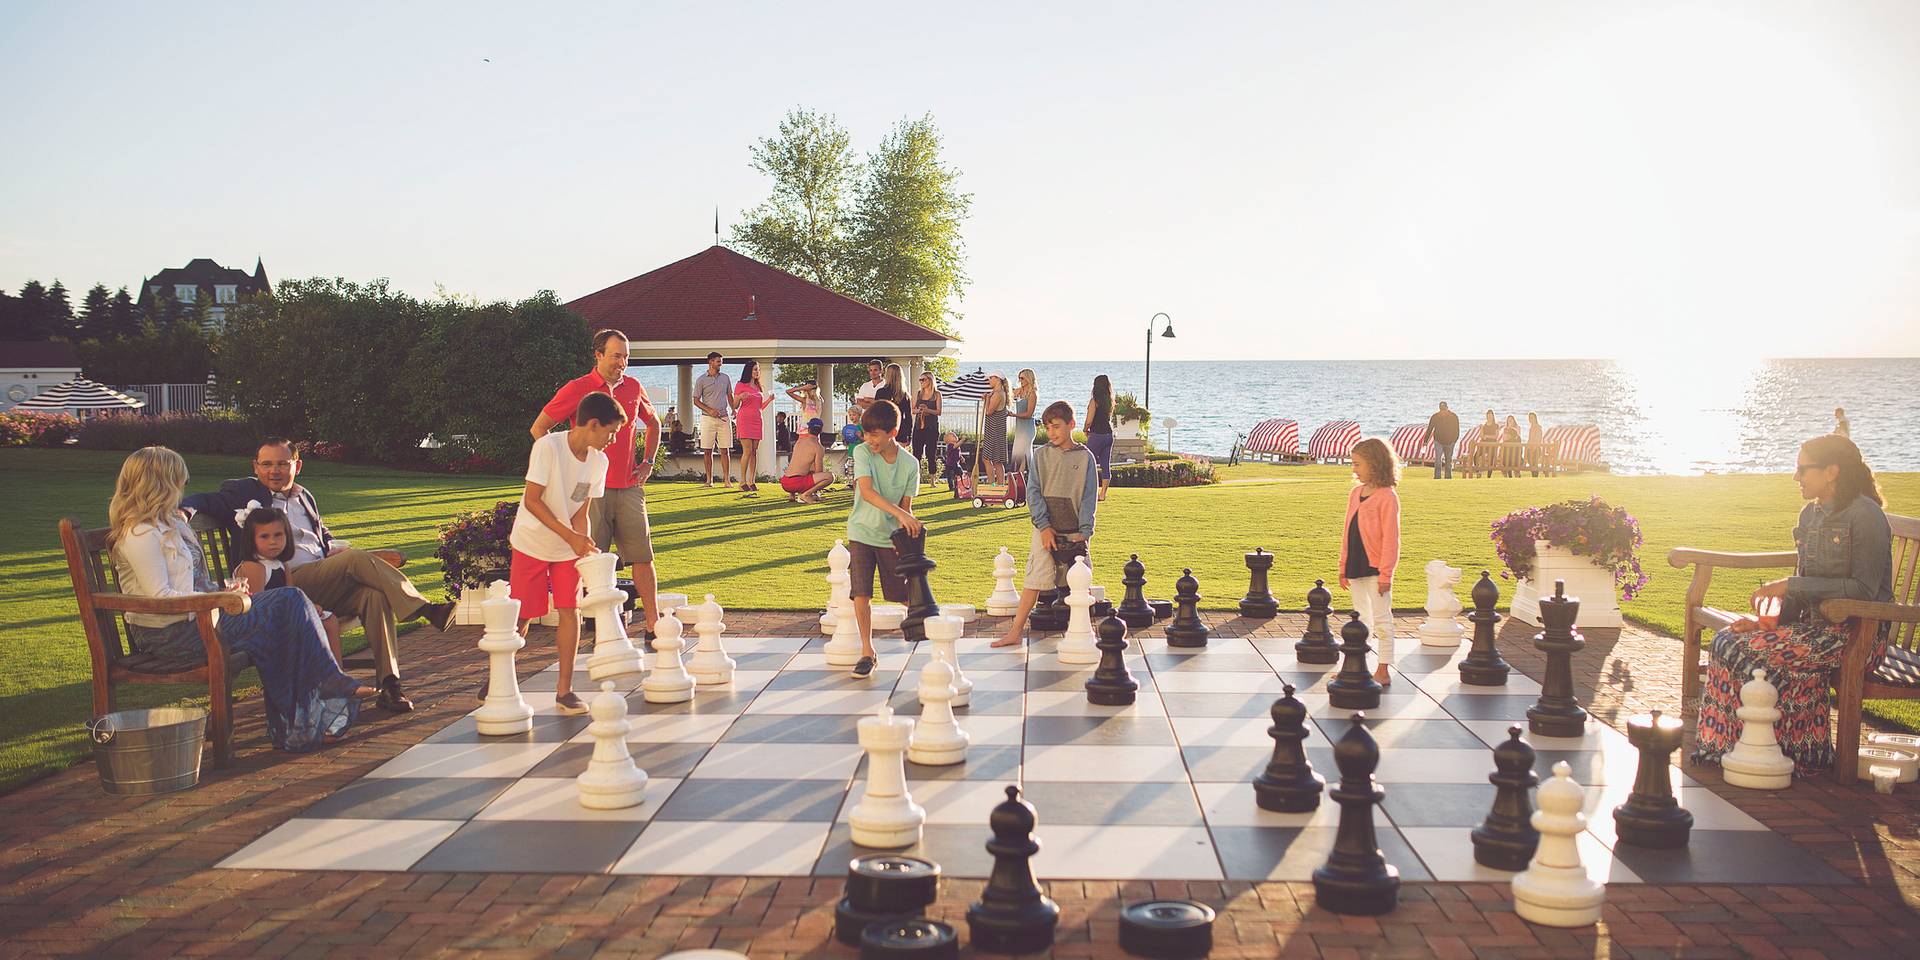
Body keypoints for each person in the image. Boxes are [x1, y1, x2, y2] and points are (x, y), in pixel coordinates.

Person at [112, 447, 371, 751]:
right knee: (288, 602)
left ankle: (300, 727)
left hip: (201, 620)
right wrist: (220, 599)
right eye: (178, 481)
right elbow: (161, 597)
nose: (182, 488)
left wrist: (223, 594)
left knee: (285, 615)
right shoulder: (141, 534)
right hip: (173, 635)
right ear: (161, 485)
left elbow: (192, 583)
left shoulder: (170, 524)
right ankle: (324, 688)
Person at [182, 438, 451, 713]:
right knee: (355, 558)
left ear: (296, 465)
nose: (274, 471)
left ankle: (390, 685)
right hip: (281, 586)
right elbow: (204, 500)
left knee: (373, 595)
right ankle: (425, 608)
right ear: (256, 466)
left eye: (282, 464)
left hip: (320, 580)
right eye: (266, 464)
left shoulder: (305, 496)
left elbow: (322, 536)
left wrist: (332, 548)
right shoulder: (243, 491)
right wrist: (184, 510)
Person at [1690, 435, 1893, 776]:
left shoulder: (1866, 516)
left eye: (1802, 469)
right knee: (1727, 640)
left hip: (1858, 635)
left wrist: (1790, 585)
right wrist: (1765, 624)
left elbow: (1865, 590)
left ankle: (1779, 751)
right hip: (1813, 630)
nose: (1795, 477)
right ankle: (1732, 749)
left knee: (1745, 652)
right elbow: (1803, 586)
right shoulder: (1809, 515)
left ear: (1831, 471)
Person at [532, 328, 664, 639]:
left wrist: (647, 463)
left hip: (629, 487)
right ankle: (589, 628)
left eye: (627, 357)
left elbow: (654, 423)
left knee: (643, 557)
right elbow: (540, 429)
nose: (622, 363)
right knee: (589, 560)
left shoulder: (633, 387)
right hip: (588, 490)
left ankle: (653, 626)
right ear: (599, 355)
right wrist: (563, 469)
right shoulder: (578, 388)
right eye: (617, 356)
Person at [505, 391, 624, 715]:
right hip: (531, 542)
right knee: (524, 615)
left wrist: (583, 545)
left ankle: (565, 691)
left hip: (566, 547)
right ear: (594, 424)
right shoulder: (548, 447)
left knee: (570, 610)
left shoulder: (599, 461)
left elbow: (580, 509)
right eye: (611, 432)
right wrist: (570, 536)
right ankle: (501, 675)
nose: (613, 439)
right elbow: (532, 500)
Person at [995, 402, 1099, 648]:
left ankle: (1084, 636)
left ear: (1071, 425)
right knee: (1034, 581)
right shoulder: (1040, 455)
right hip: (1044, 530)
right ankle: (1015, 631)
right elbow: (1033, 493)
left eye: (1057, 427)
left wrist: (1084, 533)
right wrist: (1043, 526)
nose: (1051, 432)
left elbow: (1089, 497)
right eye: (1048, 427)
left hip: (1075, 532)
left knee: (1079, 585)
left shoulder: (1086, 458)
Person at [845, 399, 922, 680]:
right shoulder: (864, 453)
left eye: (874, 434)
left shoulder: (910, 464)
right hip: (861, 532)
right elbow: (866, 492)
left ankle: (936, 634)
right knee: (861, 593)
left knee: (903, 595)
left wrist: (905, 528)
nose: (868, 439)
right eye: (865, 433)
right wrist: (901, 515)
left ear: (893, 431)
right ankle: (867, 652)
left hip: (890, 539)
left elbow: (907, 506)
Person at [232, 506, 344, 663]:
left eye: (278, 535)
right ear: (251, 539)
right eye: (264, 536)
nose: (273, 542)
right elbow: (257, 609)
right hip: (262, 624)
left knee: (329, 621)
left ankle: (336, 674)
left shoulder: (282, 564)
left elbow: (293, 593)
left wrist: (310, 606)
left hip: (284, 615)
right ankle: (313, 678)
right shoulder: (254, 567)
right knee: (304, 629)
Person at [1339, 438, 1401, 685]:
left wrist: (1386, 574)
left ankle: (1383, 669)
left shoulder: (1387, 497)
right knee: (1361, 618)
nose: (1354, 469)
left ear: (1375, 464)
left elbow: (1391, 540)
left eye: (1358, 464)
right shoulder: (1356, 493)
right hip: (1355, 566)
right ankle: (1358, 666)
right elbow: (1347, 531)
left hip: (1376, 569)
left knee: (1382, 619)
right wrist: (1343, 566)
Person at [693, 351, 734, 487]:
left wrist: (734, 408)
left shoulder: (726, 378)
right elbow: (696, 401)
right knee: (707, 450)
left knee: (725, 449)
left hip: (724, 418)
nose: (720, 363)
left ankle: (727, 480)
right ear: (710, 362)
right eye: (718, 361)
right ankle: (709, 480)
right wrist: (710, 410)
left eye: (721, 361)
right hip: (707, 419)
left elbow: (729, 395)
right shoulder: (701, 380)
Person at [733, 359, 768, 495]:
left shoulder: (758, 387)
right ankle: (742, 482)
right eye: (755, 369)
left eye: (758, 369)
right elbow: (735, 405)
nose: (757, 372)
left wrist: (769, 400)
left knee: (754, 452)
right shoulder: (740, 385)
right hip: (745, 420)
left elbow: (759, 406)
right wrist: (740, 397)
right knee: (747, 451)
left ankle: (752, 481)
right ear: (749, 371)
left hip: (757, 420)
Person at [781, 418, 834, 504]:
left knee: (803, 468)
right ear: (820, 431)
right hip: (796, 483)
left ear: (808, 429)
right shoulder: (818, 447)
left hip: (785, 482)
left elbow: (796, 462)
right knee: (830, 477)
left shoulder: (799, 441)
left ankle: (792, 495)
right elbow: (818, 471)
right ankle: (806, 495)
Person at [1083, 374, 1115, 502]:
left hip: (1096, 435)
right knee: (1105, 465)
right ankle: (1102, 494)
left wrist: (1085, 430)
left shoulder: (1094, 401)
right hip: (1108, 435)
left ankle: (1089, 492)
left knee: (1087, 463)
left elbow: (1089, 420)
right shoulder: (1110, 400)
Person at [911, 371, 942, 483]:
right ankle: (916, 479)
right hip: (919, 427)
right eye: (920, 380)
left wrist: (927, 410)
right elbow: (913, 409)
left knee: (931, 453)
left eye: (923, 379)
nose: (921, 382)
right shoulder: (918, 393)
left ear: (930, 380)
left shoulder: (937, 394)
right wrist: (919, 410)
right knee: (916, 453)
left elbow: (939, 411)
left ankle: (933, 480)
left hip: (932, 427)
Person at [981, 375, 1010, 485]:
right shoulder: (996, 392)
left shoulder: (998, 394)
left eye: (990, 378)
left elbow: (989, 411)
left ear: (997, 379)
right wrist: (987, 398)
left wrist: (987, 399)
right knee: (996, 460)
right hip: (994, 429)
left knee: (988, 458)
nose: (988, 380)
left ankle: (994, 485)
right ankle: (998, 485)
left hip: (995, 430)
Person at [875, 362, 910, 450]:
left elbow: (876, 414)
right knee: (899, 460)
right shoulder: (904, 395)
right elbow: (908, 417)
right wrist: (909, 435)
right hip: (900, 430)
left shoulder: (881, 392)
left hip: (884, 430)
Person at [1010, 368, 1038, 473]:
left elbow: (1029, 414)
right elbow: (1009, 393)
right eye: (1019, 378)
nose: (1020, 380)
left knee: (1024, 454)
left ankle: (1020, 478)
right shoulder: (1019, 391)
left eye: (1022, 378)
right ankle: (1019, 478)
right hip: (1020, 428)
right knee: (1018, 453)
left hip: (1028, 428)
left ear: (1028, 378)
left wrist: (1013, 414)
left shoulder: (1033, 394)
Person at [1424, 402, 1460, 479]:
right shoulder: (1435, 417)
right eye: (1441, 410)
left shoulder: (1454, 417)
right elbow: (1430, 428)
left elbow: (1457, 430)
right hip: (1438, 441)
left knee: (1448, 461)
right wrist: (1425, 441)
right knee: (1438, 460)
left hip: (1450, 442)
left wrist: (1454, 441)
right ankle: (1437, 477)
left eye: (1444, 410)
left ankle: (1448, 477)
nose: (1442, 412)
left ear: (1447, 408)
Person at [1525, 412, 1547, 476]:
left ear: (1535, 418)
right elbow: (1529, 439)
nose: (1530, 419)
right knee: (1531, 464)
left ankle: (1535, 476)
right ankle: (1534, 476)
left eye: (1531, 417)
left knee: (1534, 464)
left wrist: (1534, 448)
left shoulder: (1538, 428)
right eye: (1529, 418)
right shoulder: (1531, 428)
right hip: (1530, 448)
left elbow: (1538, 439)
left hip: (1536, 449)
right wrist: (1527, 448)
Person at [942, 431, 964, 496]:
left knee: (960, 474)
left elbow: (958, 453)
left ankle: (960, 485)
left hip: (956, 464)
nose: (955, 436)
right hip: (950, 465)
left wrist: (961, 457)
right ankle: (951, 487)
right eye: (953, 436)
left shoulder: (956, 445)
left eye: (955, 435)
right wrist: (962, 440)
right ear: (948, 440)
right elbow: (955, 447)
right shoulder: (950, 445)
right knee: (950, 477)